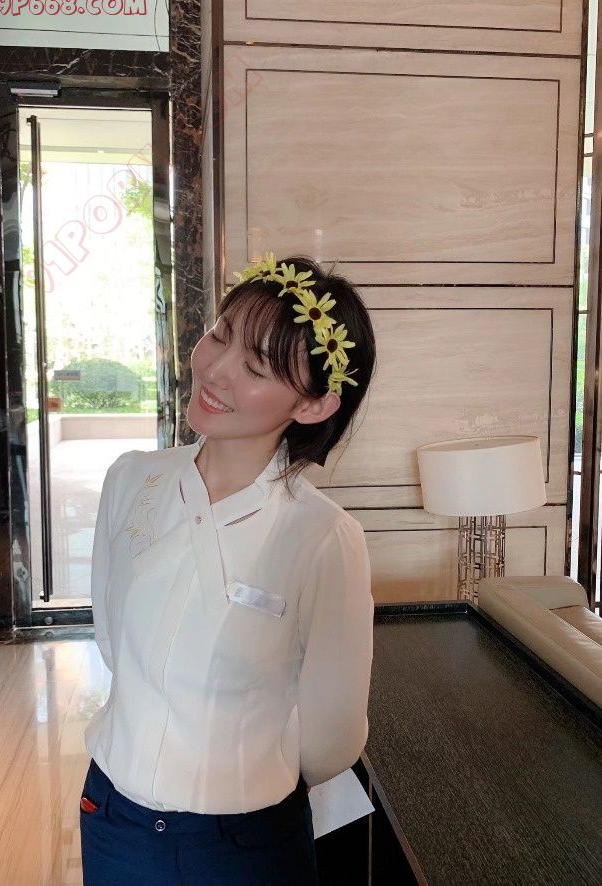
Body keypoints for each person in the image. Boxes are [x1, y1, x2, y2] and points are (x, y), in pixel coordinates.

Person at [80, 253, 377, 885]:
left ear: (314, 406)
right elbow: (112, 640)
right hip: (113, 815)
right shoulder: (131, 479)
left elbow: (331, 739)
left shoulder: (322, 537)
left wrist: (237, 770)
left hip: (246, 842)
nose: (215, 369)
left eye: (256, 367)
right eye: (220, 334)